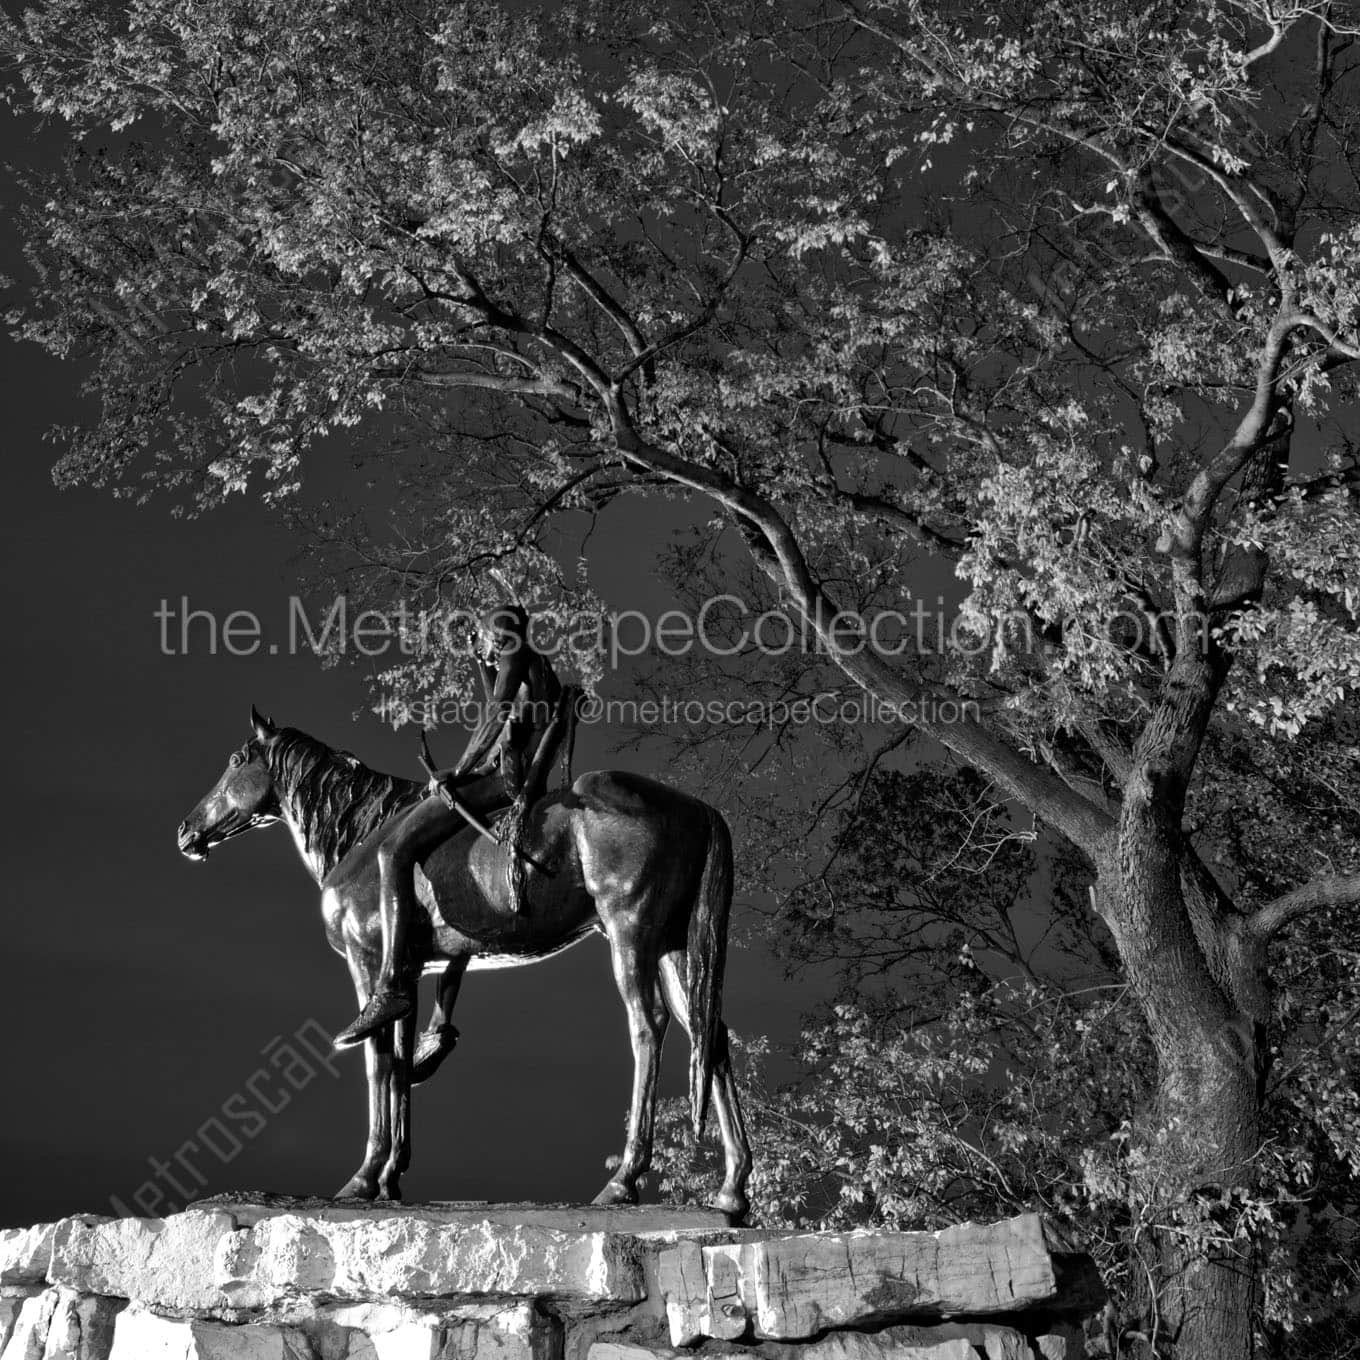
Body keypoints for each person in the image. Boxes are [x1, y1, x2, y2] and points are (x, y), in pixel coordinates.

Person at [332, 604, 565, 1051]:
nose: (487, 646)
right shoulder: (533, 665)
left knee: (392, 852)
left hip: (501, 781)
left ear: (503, 633)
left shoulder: (517, 655)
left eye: (487, 637)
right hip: (511, 776)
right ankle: (439, 1021)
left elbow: (496, 716)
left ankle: (390, 989)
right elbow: (499, 706)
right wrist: (480, 663)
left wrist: (455, 772)